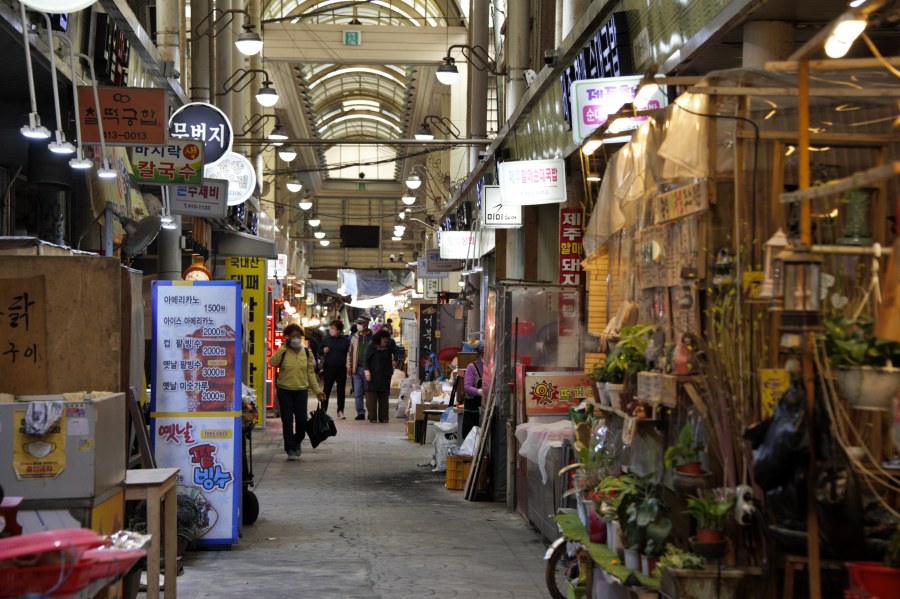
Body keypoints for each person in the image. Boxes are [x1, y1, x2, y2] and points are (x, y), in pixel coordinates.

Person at [269, 324, 324, 460]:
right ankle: (290, 449)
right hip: (284, 391)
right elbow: (272, 362)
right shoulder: (283, 351)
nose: (295, 338)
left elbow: (310, 373)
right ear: (287, 338)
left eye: (298, 336)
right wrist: (283, 347)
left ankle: (296, 441)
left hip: (301, 391)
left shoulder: (307, 352)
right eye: (292, 336)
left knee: (301, 421)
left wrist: (317, 391)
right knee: (287, 422)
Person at [363, 328, 400, 423]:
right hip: (372, 375)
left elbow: (395, 352)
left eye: (387, 341)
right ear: (379, 339)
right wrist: (367, 371)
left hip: (384, 375)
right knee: (371, 397)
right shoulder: (371, 347)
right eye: (384, 341)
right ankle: (373, 417)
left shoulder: (387, 347)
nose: (386, 343)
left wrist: (394, 360)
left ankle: (384, 417)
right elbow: (366, 360)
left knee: (384, 397)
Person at [319, 319, 351, 419]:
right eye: (331, 328)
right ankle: (323, 411)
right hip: (329, 368)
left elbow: (350, 354)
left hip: (341, 368)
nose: (331, 330)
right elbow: (318, 350)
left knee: (341, 391)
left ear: (338, 330)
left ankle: (340, 411)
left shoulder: (345, 341)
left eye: (333, 328)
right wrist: (323, 350)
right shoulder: (326, 340)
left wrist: (349, 366)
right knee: (326, 390)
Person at [348, 316, 374, 420]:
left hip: (369, 369)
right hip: (357, 368)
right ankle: (360, 412)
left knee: (369, 392)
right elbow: (349, 353)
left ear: (366, 324)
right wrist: (348, 366)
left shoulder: (373, 336)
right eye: (357, 323)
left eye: (360, 323)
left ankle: (371, 412)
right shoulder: (354, 337)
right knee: (357, 392)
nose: (358, 325)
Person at [461, 341, 485, 442]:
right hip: (472, 409)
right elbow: (466, 387)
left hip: (484, 407)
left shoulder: (490, 367)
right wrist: (479, 391)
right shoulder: (472, 367)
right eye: (484, 354)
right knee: (471, 438)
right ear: (479, 355)